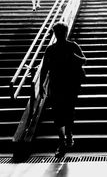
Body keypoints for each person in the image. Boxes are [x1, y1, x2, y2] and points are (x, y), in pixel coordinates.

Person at [39, 22, 86, 158]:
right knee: (64, 113)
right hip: (60, 86)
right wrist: (41, 85)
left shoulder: (71, 46)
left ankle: (65, 138)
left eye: (60, 33)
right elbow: (44, 68)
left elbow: (83, 60)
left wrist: (42, 85)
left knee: (62, 113)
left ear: (64, 33)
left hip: (67, 85)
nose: (59, 35)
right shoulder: (52, 49)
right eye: (57, 33)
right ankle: (65, 139)